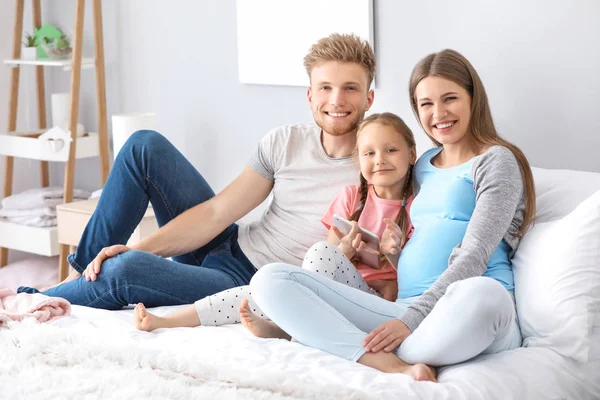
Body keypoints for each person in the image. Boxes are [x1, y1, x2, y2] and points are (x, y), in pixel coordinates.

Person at [16, 33, 377, 310]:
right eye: (326, 88)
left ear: (369, 99)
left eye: (350, 89)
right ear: (310, 95)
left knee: (123, 273)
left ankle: (31, 301)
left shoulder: (380, 163)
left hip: (249, 283)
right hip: (230, 244)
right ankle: (78, 275)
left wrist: (134, 260)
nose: (336, 101)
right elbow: (217, 212)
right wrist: (140, 249)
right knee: (144, 145)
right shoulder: (286, 141)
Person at [241, 49, 537, 383]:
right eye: (425, 104)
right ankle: (385, 359)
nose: (438, 113)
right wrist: (391, 254)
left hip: (464, 313)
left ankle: (323, 337)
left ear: (473, 99)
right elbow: (411, 222)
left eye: (450, 98)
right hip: (405, 310)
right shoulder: (424, 164)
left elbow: (474, 255)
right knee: (271, 279)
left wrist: (408, 322)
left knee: (485, 295)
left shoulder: (496, 161)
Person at [133, 112, 416, 331]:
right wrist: (347, 251)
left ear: (411, 154)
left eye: (391, 150)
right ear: (359, 159)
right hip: (333, 293)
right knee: (272, 283)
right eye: (369, 153)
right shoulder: (351, 197)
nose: (380, 160)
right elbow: (329, 254)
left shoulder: (419, 206)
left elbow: (413, 281)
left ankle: (283, 326)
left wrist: (394, 257)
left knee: (296, 279)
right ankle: (170, 321)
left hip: (372, 303)